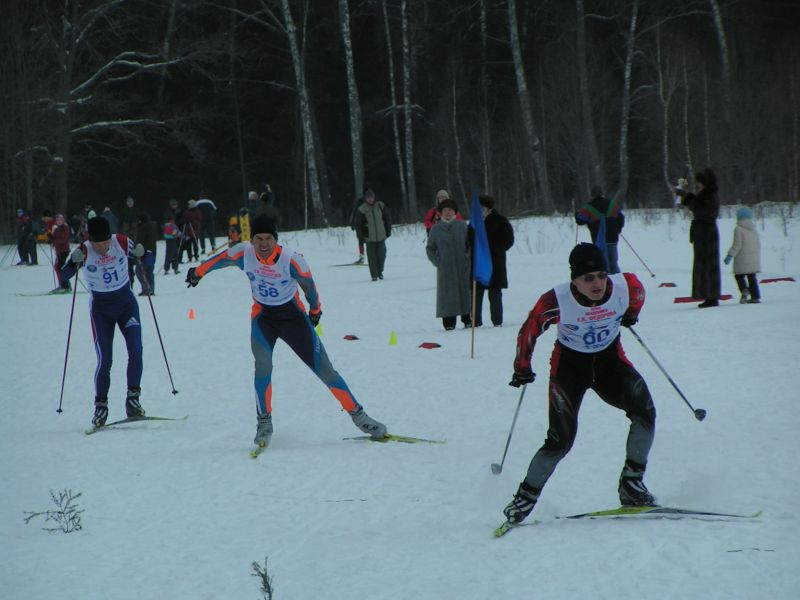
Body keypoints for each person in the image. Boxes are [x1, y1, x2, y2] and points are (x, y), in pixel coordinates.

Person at [184, 216, 387, 450]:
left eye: (268, 239)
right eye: (258, 239)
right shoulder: (243, 253)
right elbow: (219, 260)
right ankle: (264, 423)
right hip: (263, 319)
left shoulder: (292, 261)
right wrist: (198, 272)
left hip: (293, 319)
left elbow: (309, 287)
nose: (263, 244)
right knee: (262, 366)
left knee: (325, 370)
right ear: (252, 240)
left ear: (276, 240)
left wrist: (315, 310)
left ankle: (360, 417)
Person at [500, 243, 656, 526]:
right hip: (569, 370)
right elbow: (530, 328)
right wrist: (522, 367)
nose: (597, 283)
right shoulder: (556, 299)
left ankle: (632, 485)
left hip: (610, 364)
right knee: (560, 439)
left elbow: (639, 295)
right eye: (588, 278)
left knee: (645, 411)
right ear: (574, 280)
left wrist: (631, 314)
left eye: (601, 275)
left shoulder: (626, 286)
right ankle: (525, 496)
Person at [60, 216, 148, 428]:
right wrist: (72, 262)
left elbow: (148, 261)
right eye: (97, 243)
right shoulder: (85, 250)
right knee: (105, 360)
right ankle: (101, 406)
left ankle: (133, 400)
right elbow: (64, 275)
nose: (101, 247)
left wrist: (143, 254)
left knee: (136, 350)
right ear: (90, 239)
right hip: (101, 311)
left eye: (105, 242)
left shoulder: (122, 242)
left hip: (126, 306)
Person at [676, 168, 721, 308]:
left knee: (708, 264)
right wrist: (686, 196)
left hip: (707, 233)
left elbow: (700, 209)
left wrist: (686, 197)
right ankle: (707, 295)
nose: (698, 186)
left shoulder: (710, 196)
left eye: (700, 184)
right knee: (704, 264)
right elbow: (697, 204)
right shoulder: (707, 194)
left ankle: (711, 296)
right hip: (703, 233)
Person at [426, 198, 472, 330]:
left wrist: (467, 258)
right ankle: (449, 322)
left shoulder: (462, 226)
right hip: (445, 268)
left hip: (462, 266)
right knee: (447, 295)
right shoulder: (435, 229)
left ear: (455, 212)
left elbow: (470, 245)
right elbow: (430, 248)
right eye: (445, 210)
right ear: (440, 213)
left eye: (450, 210)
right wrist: (438, 262)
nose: (447, 212)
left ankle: (467, 319)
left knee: (464, 292)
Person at [474, 195, 514, 327]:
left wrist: (498, 249)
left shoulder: (500, 220)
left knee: (495, 292)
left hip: (495, 262)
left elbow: (509, 239)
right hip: (479, 263)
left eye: (482, 208)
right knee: (477, 292)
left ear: (489, 209)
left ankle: (497, 321)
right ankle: (476, 321)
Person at [575, 185, 625, 274]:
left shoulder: (589, 207)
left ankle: (607, 280)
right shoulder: (612, 204)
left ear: (592, 195)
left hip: (599, 240)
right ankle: (618, 279)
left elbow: (580, 220)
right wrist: (618, 229)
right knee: (614, 263)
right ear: (602, 194)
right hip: (613, 239)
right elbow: (621, 217)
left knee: (603, 264)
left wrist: (576, 214)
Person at [724, 206, 761, 304]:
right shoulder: (753, 229)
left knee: (739, 276)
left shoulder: (738, 229)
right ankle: (755, 297)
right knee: (752, 277)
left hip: (742, 258)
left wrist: (730, 255)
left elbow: (737, 245)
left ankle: (744, 290)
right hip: (753, 258)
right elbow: (757, 244)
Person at [354, 188, 391, 280]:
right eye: (368, 197)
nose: (370, 199)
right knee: (372, 258)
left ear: (374, 197)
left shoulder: (380, 205)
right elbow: (358, 224)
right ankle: (374, 275)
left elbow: (387, 218)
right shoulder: (362, 209)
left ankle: (380, 272)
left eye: (371, 197)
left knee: (382, 255)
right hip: (369, 238)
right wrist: (361, 235)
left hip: (381, 236)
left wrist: (388, 230)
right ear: (365, 198)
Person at [135, 213, 158, 295]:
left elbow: (140, 240)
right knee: (149, 271)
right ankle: (151, 289)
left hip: (143, 252)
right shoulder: (153, 226)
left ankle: (146, 288)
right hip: (152, 251)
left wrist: (137, 251)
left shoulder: (143, 227)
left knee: (139, 271)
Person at [49, 214, 72, 292]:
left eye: (60, 220)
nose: (59, 221)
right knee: (58, 267)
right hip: (59, 250)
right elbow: (54, 237)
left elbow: (63, 240)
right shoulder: (57, 229)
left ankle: (65, 286)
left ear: (63, 220)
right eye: (57, 220)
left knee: (60, 268)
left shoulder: (65, 228)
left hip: (64, 250)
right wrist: (50, 237)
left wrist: (54, 241)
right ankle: (64, 285)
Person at [348, 188, 367, 264]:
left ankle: (363, 258)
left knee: (362, 241)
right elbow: (355, 212)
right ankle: (363, 258)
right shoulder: (362, 201)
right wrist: (352, 223)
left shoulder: (361, 201)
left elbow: (354, 212)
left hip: (362, 225)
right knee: (363, 241)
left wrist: (352, 222)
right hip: (361, 225)